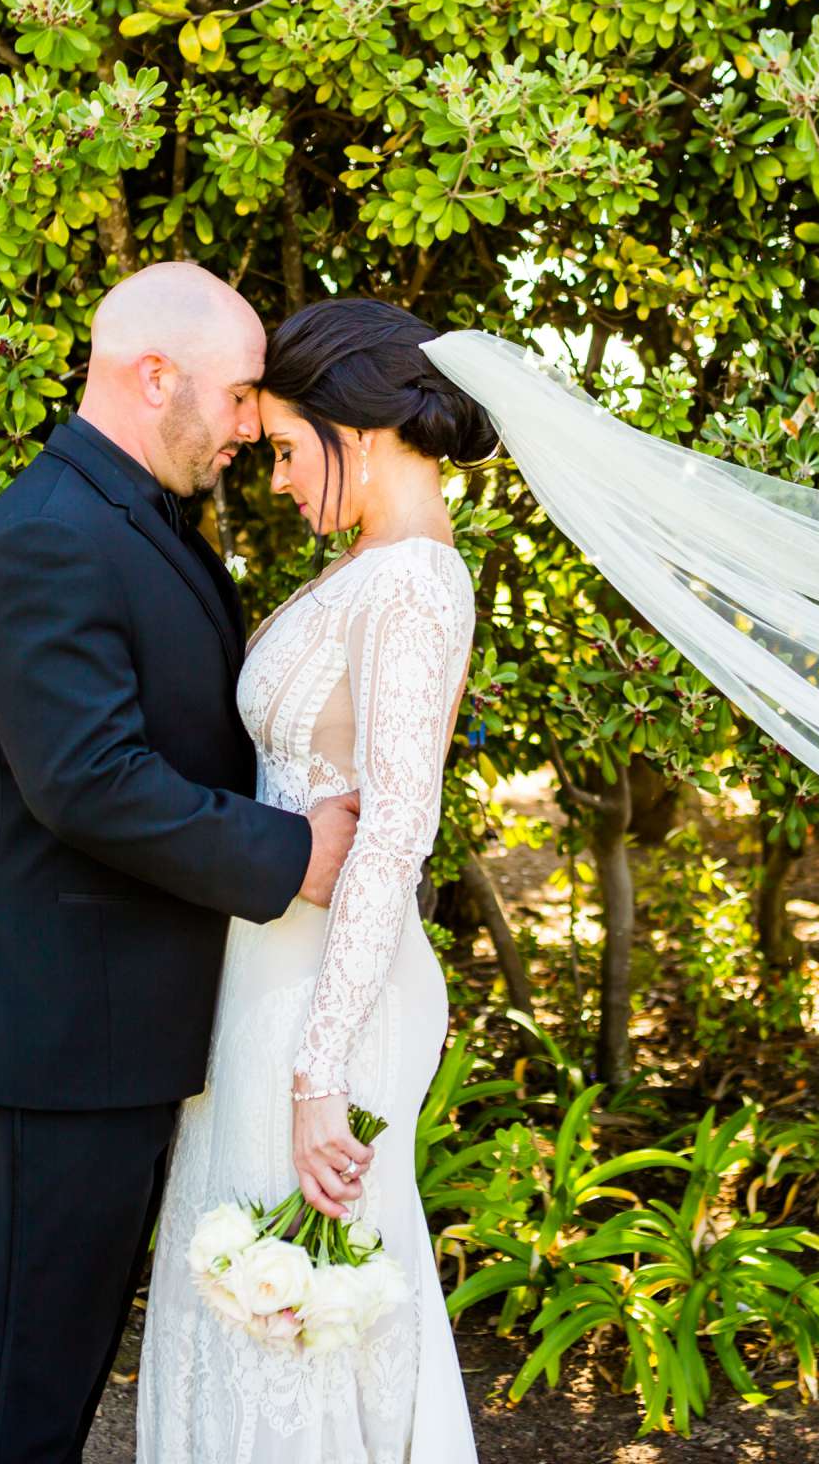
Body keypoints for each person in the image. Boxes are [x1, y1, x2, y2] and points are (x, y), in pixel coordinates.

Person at [0, 261, 365, 1464]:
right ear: (152, 374)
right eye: (235, 398)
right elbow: (87, 779)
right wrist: (294, 856)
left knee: (53, 1394)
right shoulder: (46, 537)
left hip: (108, 1039)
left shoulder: (125, 519)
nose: (245, 428)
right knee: (19, 1404)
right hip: (48, 1046)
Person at [134, 298, 489, 1460]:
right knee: (241, 1291)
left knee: (296, 1308)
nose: (279, 479)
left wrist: (318, 1074)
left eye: (288, 448)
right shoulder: (369, 566)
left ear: (363, 428)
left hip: (328, 1001)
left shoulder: (415, 586)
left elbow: (395, 831)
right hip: (271, 974)